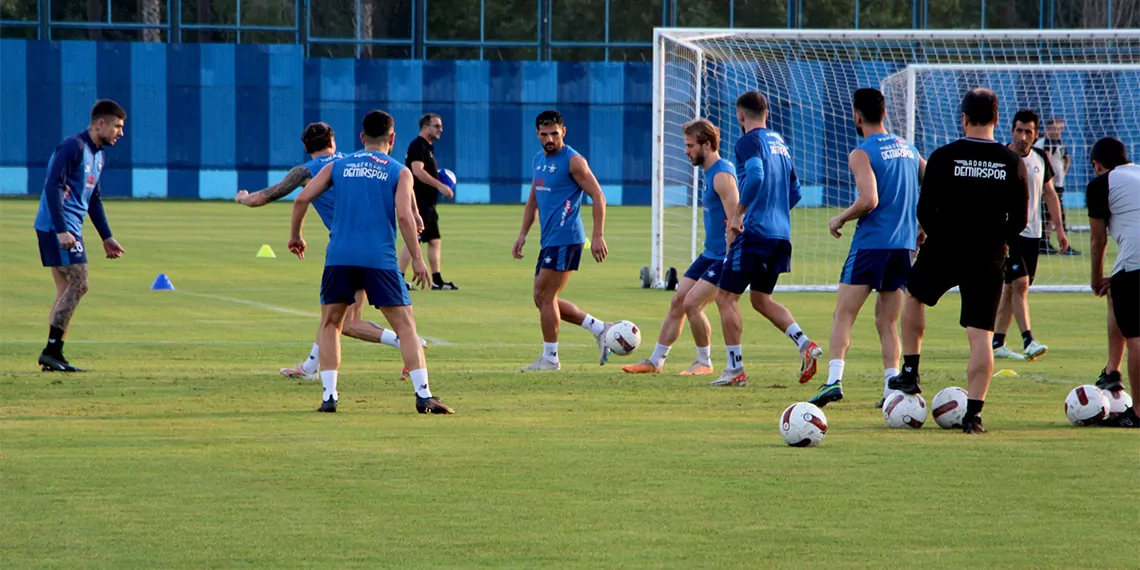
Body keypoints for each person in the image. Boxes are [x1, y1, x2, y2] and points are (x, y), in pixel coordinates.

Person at [288, 110, 452, 414]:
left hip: (339, 258)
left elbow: (300, 199)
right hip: (379, 259)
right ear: (392, 139)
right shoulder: (398, 171)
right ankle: (423, 394)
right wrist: (417, 258)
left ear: (362, 138)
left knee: (331, 324)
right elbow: (404, 215)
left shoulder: (339, 165)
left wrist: (295, 236)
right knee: (405, 326)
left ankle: (329, 397)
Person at [235, 122, 426, 381]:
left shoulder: (307, 171)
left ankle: (408, 342)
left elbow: (267, 196)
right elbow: (401, 178)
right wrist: (414, 213)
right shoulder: (353, 161)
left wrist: (243, 198)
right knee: (333, 317)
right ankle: (311, 367)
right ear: (333, 142)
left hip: (346, 250)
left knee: (343, 322)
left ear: (305, 147)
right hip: (375, 247)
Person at [887, 88, 1029, 435]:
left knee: (915, 297)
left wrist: (940, 236)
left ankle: (910, 370)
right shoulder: (1013, 163)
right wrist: (999, 240)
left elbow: (923, 210)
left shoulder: (943, 156)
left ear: (963, 118)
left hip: (945, 247)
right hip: (988, 254)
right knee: (981, 335)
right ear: (997, 119)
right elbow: (1022, 219)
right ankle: (973, 415)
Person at [811, 88, 925, 408]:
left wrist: (840, 218)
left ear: (856, 116)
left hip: (871, 245)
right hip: (903, 247)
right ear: (884, 113)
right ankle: (892, 389)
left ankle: (833, 381)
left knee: (843, 314)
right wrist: (923, 226)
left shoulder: (862, 152)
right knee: (887, 322)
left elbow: (869, 200)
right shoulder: (909, 149)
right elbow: (932, 184)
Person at [710, 91, 822, 388]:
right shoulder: (781, 144)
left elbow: (757, 175)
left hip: (754, 233)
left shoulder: (748, 141)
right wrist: (776, 213)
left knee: (725, 297)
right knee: (760, 299)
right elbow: (795, 190)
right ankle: (805, 344)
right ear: (767, 113)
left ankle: (736, 370)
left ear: (741, 116)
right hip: (780, 236)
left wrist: (740, 215)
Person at [622, 119, 738, 376]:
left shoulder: (722, 175)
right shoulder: (710, 172)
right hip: (710, 253)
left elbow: (735, 220)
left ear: (706, 145)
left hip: (725, 256)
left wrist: (731, 258)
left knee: (692, 303)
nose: (686, 151)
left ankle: (704, 363)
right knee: (678, 300)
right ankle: (655, 361)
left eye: (690, 145)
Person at [512, 110, 613, 371]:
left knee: (544, 296)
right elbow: (533, 200)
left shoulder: (573, 161)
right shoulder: (537, 160)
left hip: (567, 238)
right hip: (550, 240)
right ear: (537, 134)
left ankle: (551, 358)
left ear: (563, 132)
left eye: (554, 134)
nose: (549, 139)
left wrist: (598, 234)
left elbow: (598, 196)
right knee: (543, 298)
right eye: (544, 134)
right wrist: (523, 234)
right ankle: (600, 328)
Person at [34, 99, 128, 372]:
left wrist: (106, 237)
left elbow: (93, 198)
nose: (120, 133)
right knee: (79, 283)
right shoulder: (73, 147)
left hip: (71, 228)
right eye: (117, 126)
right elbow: (53, 185)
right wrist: (62, 229)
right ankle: (51, 352)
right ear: (101, 123)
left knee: (67, 289)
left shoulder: (98, 154)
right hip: (57, 227)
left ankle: (54, 354)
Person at [992, 110, 1069, 361]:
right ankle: (1028, 340)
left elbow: (1049, 194)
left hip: (1032, 235)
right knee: (1020, 284)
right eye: (1019, 130)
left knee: (1012, 289)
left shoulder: (1039, 159)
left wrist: (1059, 229)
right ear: (1011, 131)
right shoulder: (1000, 158)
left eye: (1028, 132)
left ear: (1035, 135)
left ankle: (997, 342)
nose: (1023, 136)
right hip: (1007, 233)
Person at [1086, 136, 1140, 428]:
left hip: (1136, 264)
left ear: (1097, 165)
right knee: (1115, 293)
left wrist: (1095, 279)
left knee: (1137, 337)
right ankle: (1112, 370)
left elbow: (1097, 240)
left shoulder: (1100, 184)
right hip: (1130, 266)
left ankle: (1138, 413)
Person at [398, 113, 458, 290]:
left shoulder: (428, 148)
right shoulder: (418, 146)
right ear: (425, 127)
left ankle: (437, 281)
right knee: (413, 239)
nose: (441, 129)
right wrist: (440, 185)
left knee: (434, 240)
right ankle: (399, 278)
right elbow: (417, 171)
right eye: (437, 126)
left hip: (428, 204)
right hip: (419, 202)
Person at [1035, 118, 1079, 255]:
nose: (1059, 131)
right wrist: (1051, 177)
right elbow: (1046, 158)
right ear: (1048, 129)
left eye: (1061, 128)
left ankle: (1045, 242)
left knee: (1050, 214)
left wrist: (1062, 174)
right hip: (1048, 184)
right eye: (1056, 128)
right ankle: (1047, 243)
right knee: (1050, 213)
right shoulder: (1045, 143)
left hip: (1057, 184)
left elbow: (1067, 159)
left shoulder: (1058, 142)